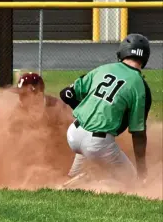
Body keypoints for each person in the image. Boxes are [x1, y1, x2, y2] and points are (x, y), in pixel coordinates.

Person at [60, 33, 152, 186]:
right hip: (97, 143)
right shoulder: (139, 86)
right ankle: (90, 178)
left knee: (76, 171)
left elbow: (66, 94)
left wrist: (87, 113)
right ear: (145, 58)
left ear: (122, 52)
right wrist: (142, 171)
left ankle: (72, 179)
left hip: (74, 133)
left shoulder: (103, 68)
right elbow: (138, 133)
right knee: (130, 180)